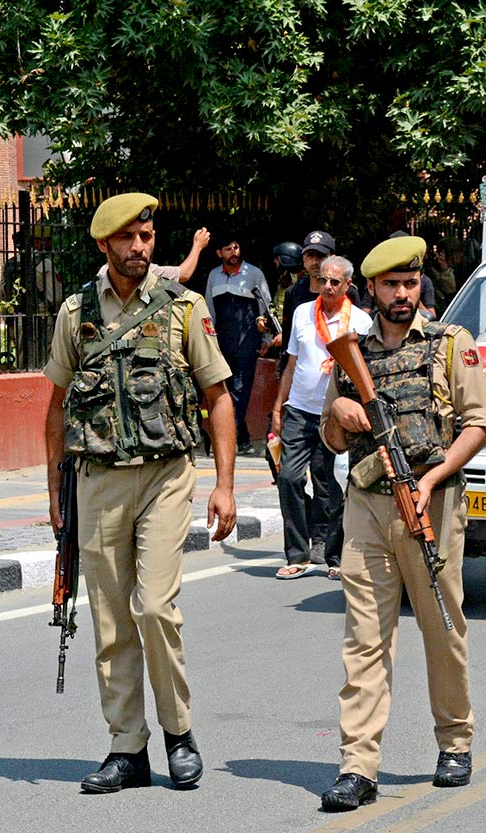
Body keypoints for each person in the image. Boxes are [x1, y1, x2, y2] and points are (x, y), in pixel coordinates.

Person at [42, 193, 237, 793]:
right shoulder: (76, 313)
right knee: (109, 622)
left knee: (153, 607)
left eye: (147, 237)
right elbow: (56, 406)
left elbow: (219, 397)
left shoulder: (183, 307)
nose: (139, 248)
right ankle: (127, 749)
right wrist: (54, 491)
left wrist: (226, 485)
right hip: (97, 481)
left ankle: (178, 733)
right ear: (104, 244)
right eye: (127, 239)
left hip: (165, 475)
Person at [318, 235, 486, 812]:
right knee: (365, 641)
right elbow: (331, 433)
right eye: (390, 285)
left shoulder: (450, 344)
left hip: (431, 505)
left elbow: (478, 424)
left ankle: (455, 742)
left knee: (442, 627)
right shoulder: (352, 351)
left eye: (410, 283)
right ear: (371, 288)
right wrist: (341, 415)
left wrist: (431, 479)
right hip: (368, 506)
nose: (401, 294)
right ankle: (358, 766)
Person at [272, 254, 373, 579]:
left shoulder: (360, 322)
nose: (326, 287)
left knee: (329, 485)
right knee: (288, 477)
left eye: (334, 282)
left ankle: (335, 556)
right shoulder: (303, 312)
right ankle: (297, 554)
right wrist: (278, 407)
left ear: (347, 285)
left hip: (335, 414)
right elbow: (291, 363)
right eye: (322, 281)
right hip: (299, 409)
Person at [205, 236, 269, 454]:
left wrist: (266, 339)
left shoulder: (254, 274)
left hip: (247, 340)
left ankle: (226, 439)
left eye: (236, 246)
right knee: (224, 390)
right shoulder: (214, 276)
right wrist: (208, 341)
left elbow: (265, 308)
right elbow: (209, 311)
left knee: (240, 390)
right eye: (228, 248)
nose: (233, 251)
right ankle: (243, 441)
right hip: (221, 341)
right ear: (219, 252)